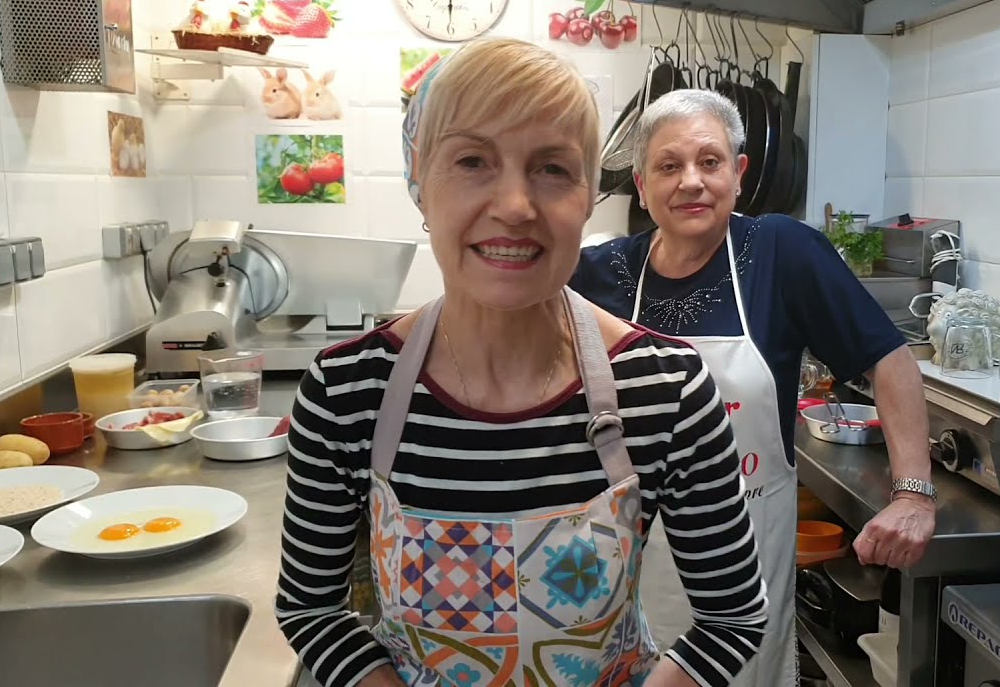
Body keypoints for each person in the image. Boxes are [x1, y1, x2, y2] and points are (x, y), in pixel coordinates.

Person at [276, 40, 768, 687]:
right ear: (419, 183)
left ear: (590, 194)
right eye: (472, 160)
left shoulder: (666, 389)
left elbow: (733, 619)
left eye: (552, 169)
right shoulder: (346, 393)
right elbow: (310, 609)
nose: (514, 205)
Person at [571, 89, 936, 687]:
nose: (691, 181)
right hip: (621, 563)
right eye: (669, 166)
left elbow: (890, 361)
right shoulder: (602, 273)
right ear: (641, 184)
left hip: (740, 566)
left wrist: (913, 496)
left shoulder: (779, 252)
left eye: (709, 162)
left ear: (738, 174)